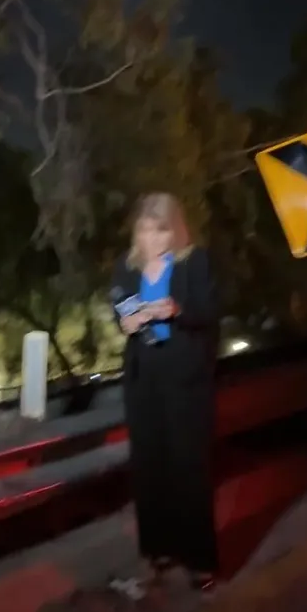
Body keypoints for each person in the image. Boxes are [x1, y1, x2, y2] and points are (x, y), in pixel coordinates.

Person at [110, 192, 221, 591]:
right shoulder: (126, 267)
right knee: (149, 465)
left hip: (184, 376)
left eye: (160, 231)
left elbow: (209, 311)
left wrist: (177, 310)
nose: (152, 239)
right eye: (144, 230)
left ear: (175, 230)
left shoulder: (195, 262)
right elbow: (118, 306)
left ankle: (200, 560)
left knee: (188, 466)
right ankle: (158, 550)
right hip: (143, 376)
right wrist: (125, 322)